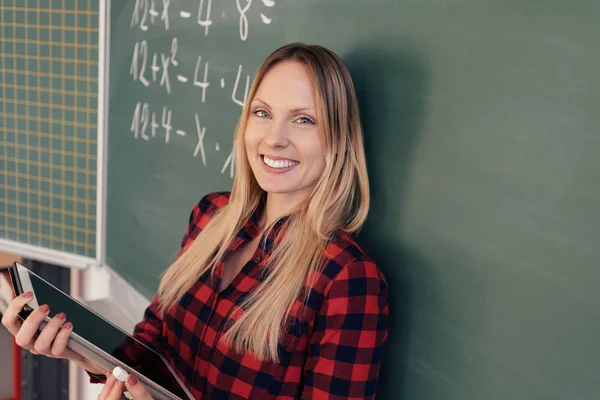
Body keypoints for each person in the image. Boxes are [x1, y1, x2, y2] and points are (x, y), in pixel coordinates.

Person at [2, 42, 389, 399]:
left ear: (337, 138)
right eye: (262, 113)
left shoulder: (346, 277)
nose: (274, 138)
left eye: (304, 120)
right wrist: (79, 350)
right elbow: (153, 349)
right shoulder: (212, 216)